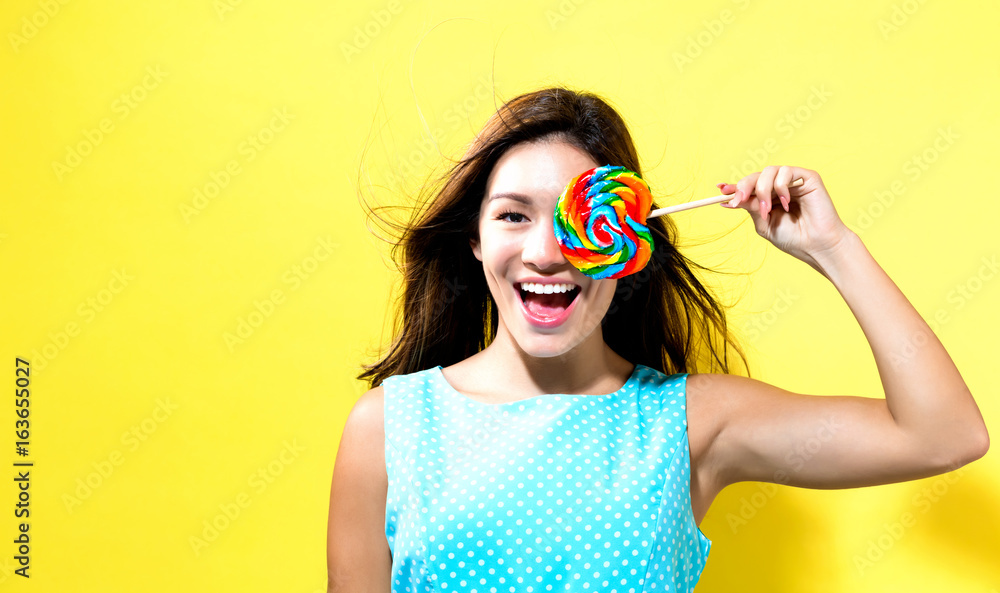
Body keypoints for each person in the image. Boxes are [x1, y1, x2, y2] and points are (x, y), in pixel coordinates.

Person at [326, 87, 989, 592]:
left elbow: (945, 434)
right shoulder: (388, 425)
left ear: (627, 243)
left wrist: (834, 248)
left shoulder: (693, 421)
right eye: (512, 215)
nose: (546, 252)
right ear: (475, 238)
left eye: (577, 218)